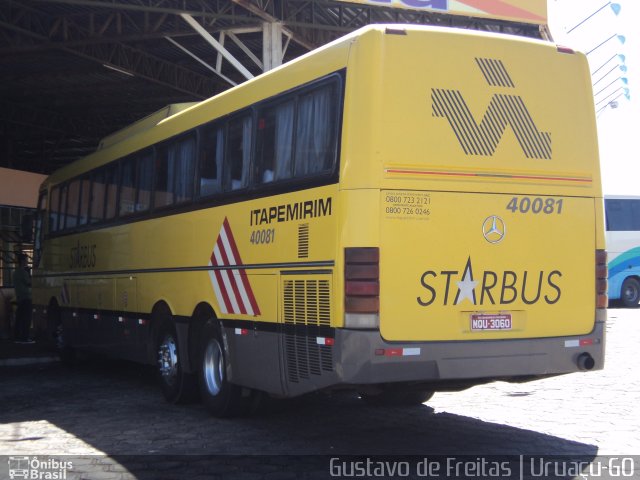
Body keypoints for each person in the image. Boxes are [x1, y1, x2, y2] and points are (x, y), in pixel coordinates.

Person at [13, 253, 34, 343]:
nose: (27, 262)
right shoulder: (23, 272)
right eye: (26, 260)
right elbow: (29, 283)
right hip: (26, 297)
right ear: (22, 261)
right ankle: (25, 338)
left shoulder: (15, 273)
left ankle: (17, 337)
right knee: (26, 318)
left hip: (19, 297)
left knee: (19, 318)